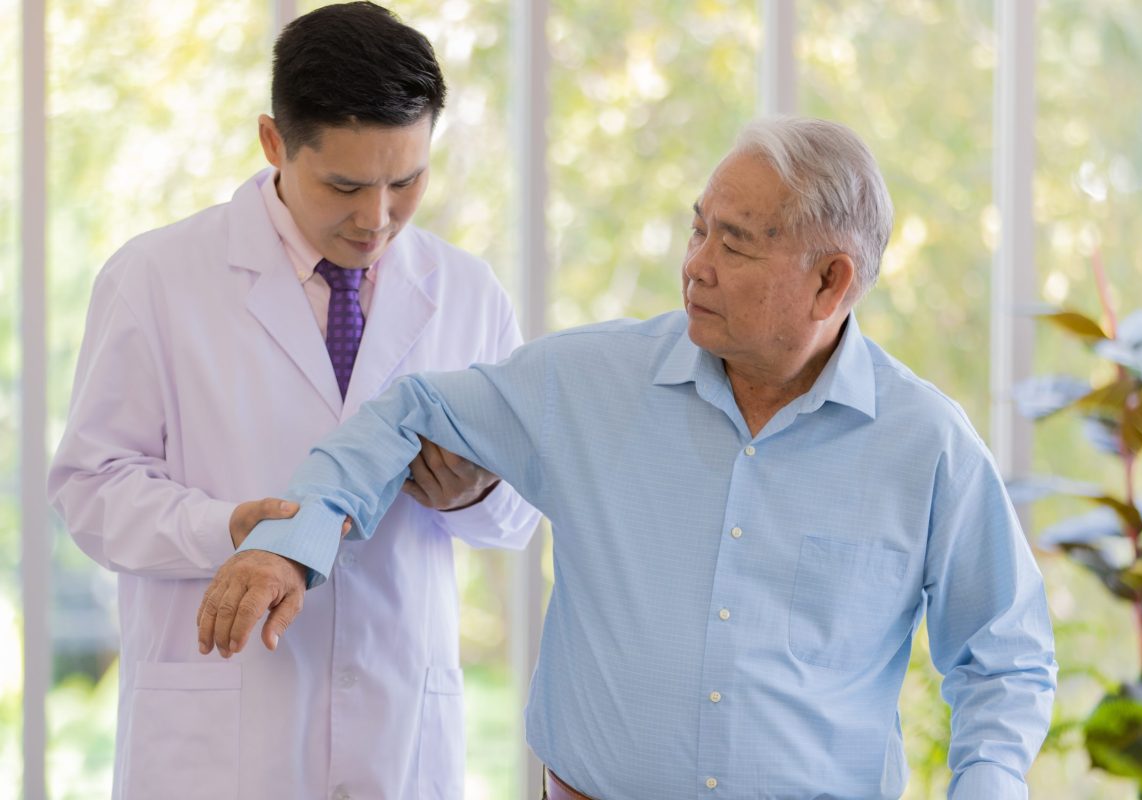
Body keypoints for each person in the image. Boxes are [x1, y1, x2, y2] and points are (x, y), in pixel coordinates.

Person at [199, 116, 1057, 799]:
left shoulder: (927, 445)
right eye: (697, 230)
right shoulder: (588, 381)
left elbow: (1004, 656)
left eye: (736, 244)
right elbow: (409, 409)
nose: (695, 267)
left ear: (832, 283)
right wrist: (292, 539)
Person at [47, 3, 539, 798]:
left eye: (406, 180)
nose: (377, 218)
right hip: (221, 738)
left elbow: (523, 510)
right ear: (275, 142)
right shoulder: (156, 279)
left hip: (397, 727)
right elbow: (91, 491)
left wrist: (474, 492)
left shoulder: (467, 293)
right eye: (345, 184)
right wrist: (226, 528)